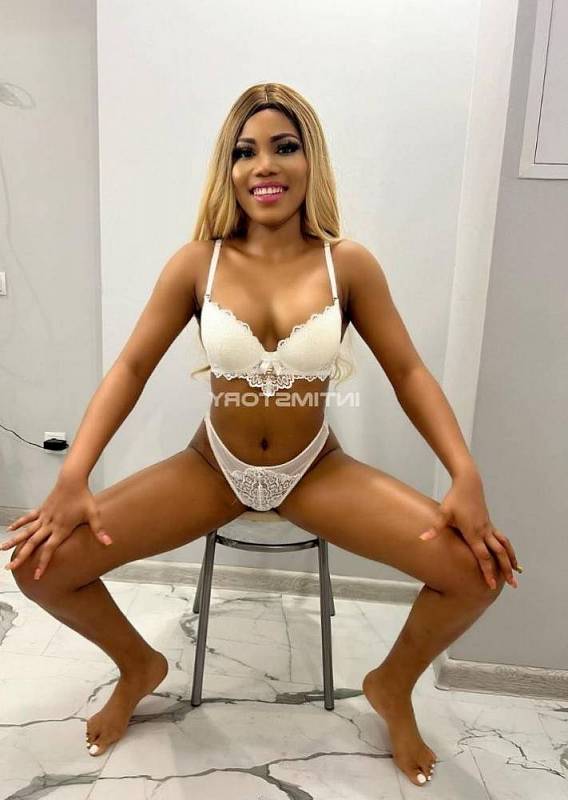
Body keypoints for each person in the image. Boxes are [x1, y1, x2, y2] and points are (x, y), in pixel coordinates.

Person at [2, 82, 520, 787]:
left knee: (475, 574)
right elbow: (130, 368)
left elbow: (408, 372)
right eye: (245, 152)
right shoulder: (198, 263)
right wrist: (74, 474)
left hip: (315, 471)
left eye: (284, 146)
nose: (264, 166)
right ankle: (138, 665)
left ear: (311, 159)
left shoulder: (348, 264)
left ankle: (391, 685)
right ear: (229, 167)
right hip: (212, 467)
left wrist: (465, 472)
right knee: (38, 568)